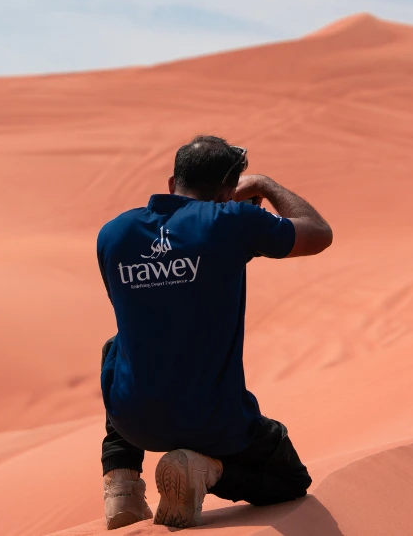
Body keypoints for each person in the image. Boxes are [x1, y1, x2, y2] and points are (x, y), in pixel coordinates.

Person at [95, 135, 334, 529]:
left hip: (133, 423)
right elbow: (318, 233)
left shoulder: (113, 234)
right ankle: (207, 472)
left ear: (172, 183)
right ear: (227, 192)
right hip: (213, 425)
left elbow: (138, 314)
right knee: (291, 480)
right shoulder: (232, 221)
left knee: (117, 346)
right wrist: (264, 185)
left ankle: (121, 481)